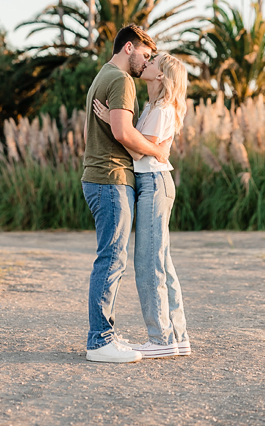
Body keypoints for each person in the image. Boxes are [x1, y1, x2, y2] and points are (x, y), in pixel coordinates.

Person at [81, 24, 172, 364]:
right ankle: (100, 340)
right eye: (146, 55)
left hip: (100, 177)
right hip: (111, 178)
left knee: (110, 257)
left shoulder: (102, 76)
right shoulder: (121, 81)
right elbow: (121, 131)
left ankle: (104, 335)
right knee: (112, 259)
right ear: (129, 48)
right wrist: (156, 150)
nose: (146, 62)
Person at [92, 52, 191, 359]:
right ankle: (177, 336)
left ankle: (160, 339)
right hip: (154, 183)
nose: (145, 64)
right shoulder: (153, 107)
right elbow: (152, 149)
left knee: (149, 262)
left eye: (152, 63)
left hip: (153, 184)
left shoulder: (161, 109)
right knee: (161, 261)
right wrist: (155, 148)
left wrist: (113, 122)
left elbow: (138, 153)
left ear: (160, 76)